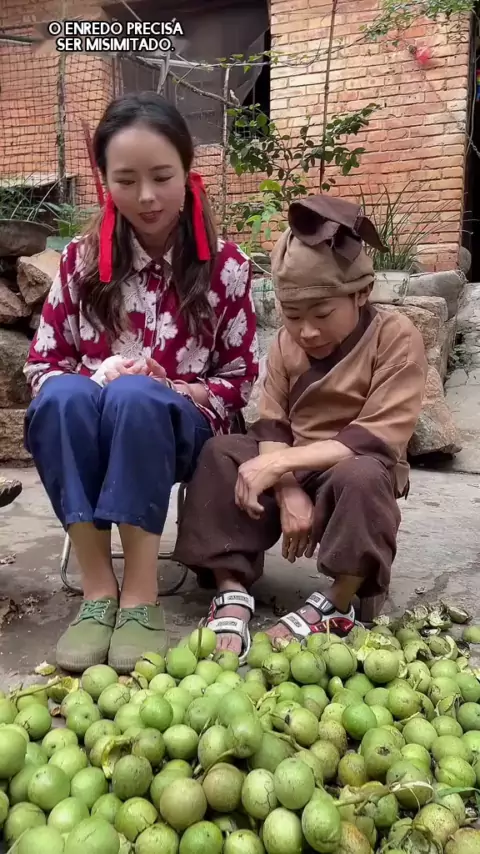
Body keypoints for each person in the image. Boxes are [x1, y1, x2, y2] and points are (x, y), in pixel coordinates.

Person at [23, 92, 258, 674]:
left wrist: (170, 389)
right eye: (126, 181)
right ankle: (98, 591)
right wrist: (96, 375)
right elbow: (43, 364)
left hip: (179, 434)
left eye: (162, 176)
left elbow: (238, 380)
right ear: (104, 181)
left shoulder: (226, 267)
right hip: (90, 423)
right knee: (63, 397)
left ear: (188, 172)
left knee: (137, 396)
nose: (147, 197)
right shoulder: (79, 263)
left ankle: (140, 595)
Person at [172, 195, 428, 662]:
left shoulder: (395, 337)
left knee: (365, 477)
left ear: (361, 294)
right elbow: (272, 421)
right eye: (293, 316)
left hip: (354, 463)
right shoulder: (287, 345)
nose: (306, 331)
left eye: (322, 314)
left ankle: (340, 598)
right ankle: (231, 586)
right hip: (294, 458)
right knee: (221, 453)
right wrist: (288, 487)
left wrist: (279, 465)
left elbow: (377, 435)